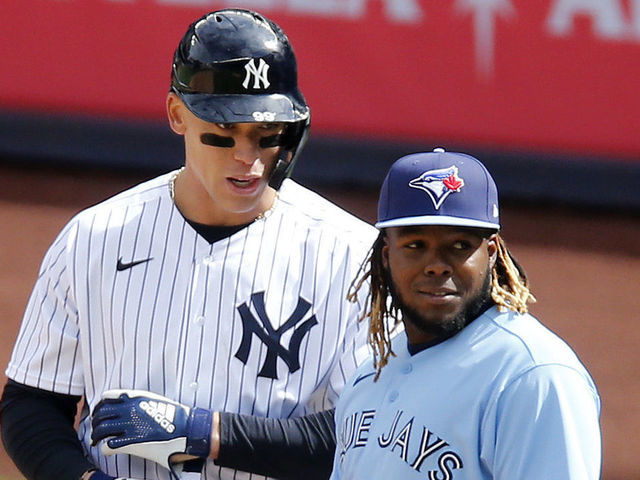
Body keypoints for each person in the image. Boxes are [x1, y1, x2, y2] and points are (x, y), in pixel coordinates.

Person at [0, 8, 377, 480]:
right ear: (178, 115)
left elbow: (365, 433)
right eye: (222, 135)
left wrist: (207, 433)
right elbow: (31, 404)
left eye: (266, 135)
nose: (248, 158)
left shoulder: (353, 255)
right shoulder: (94, 238)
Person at [327, 149, 602, 479]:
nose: (437, 265)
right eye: (415, 245)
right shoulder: (370, 374)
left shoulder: (533, 376)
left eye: (459, 246)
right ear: (387, 256)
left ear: (490, 253)